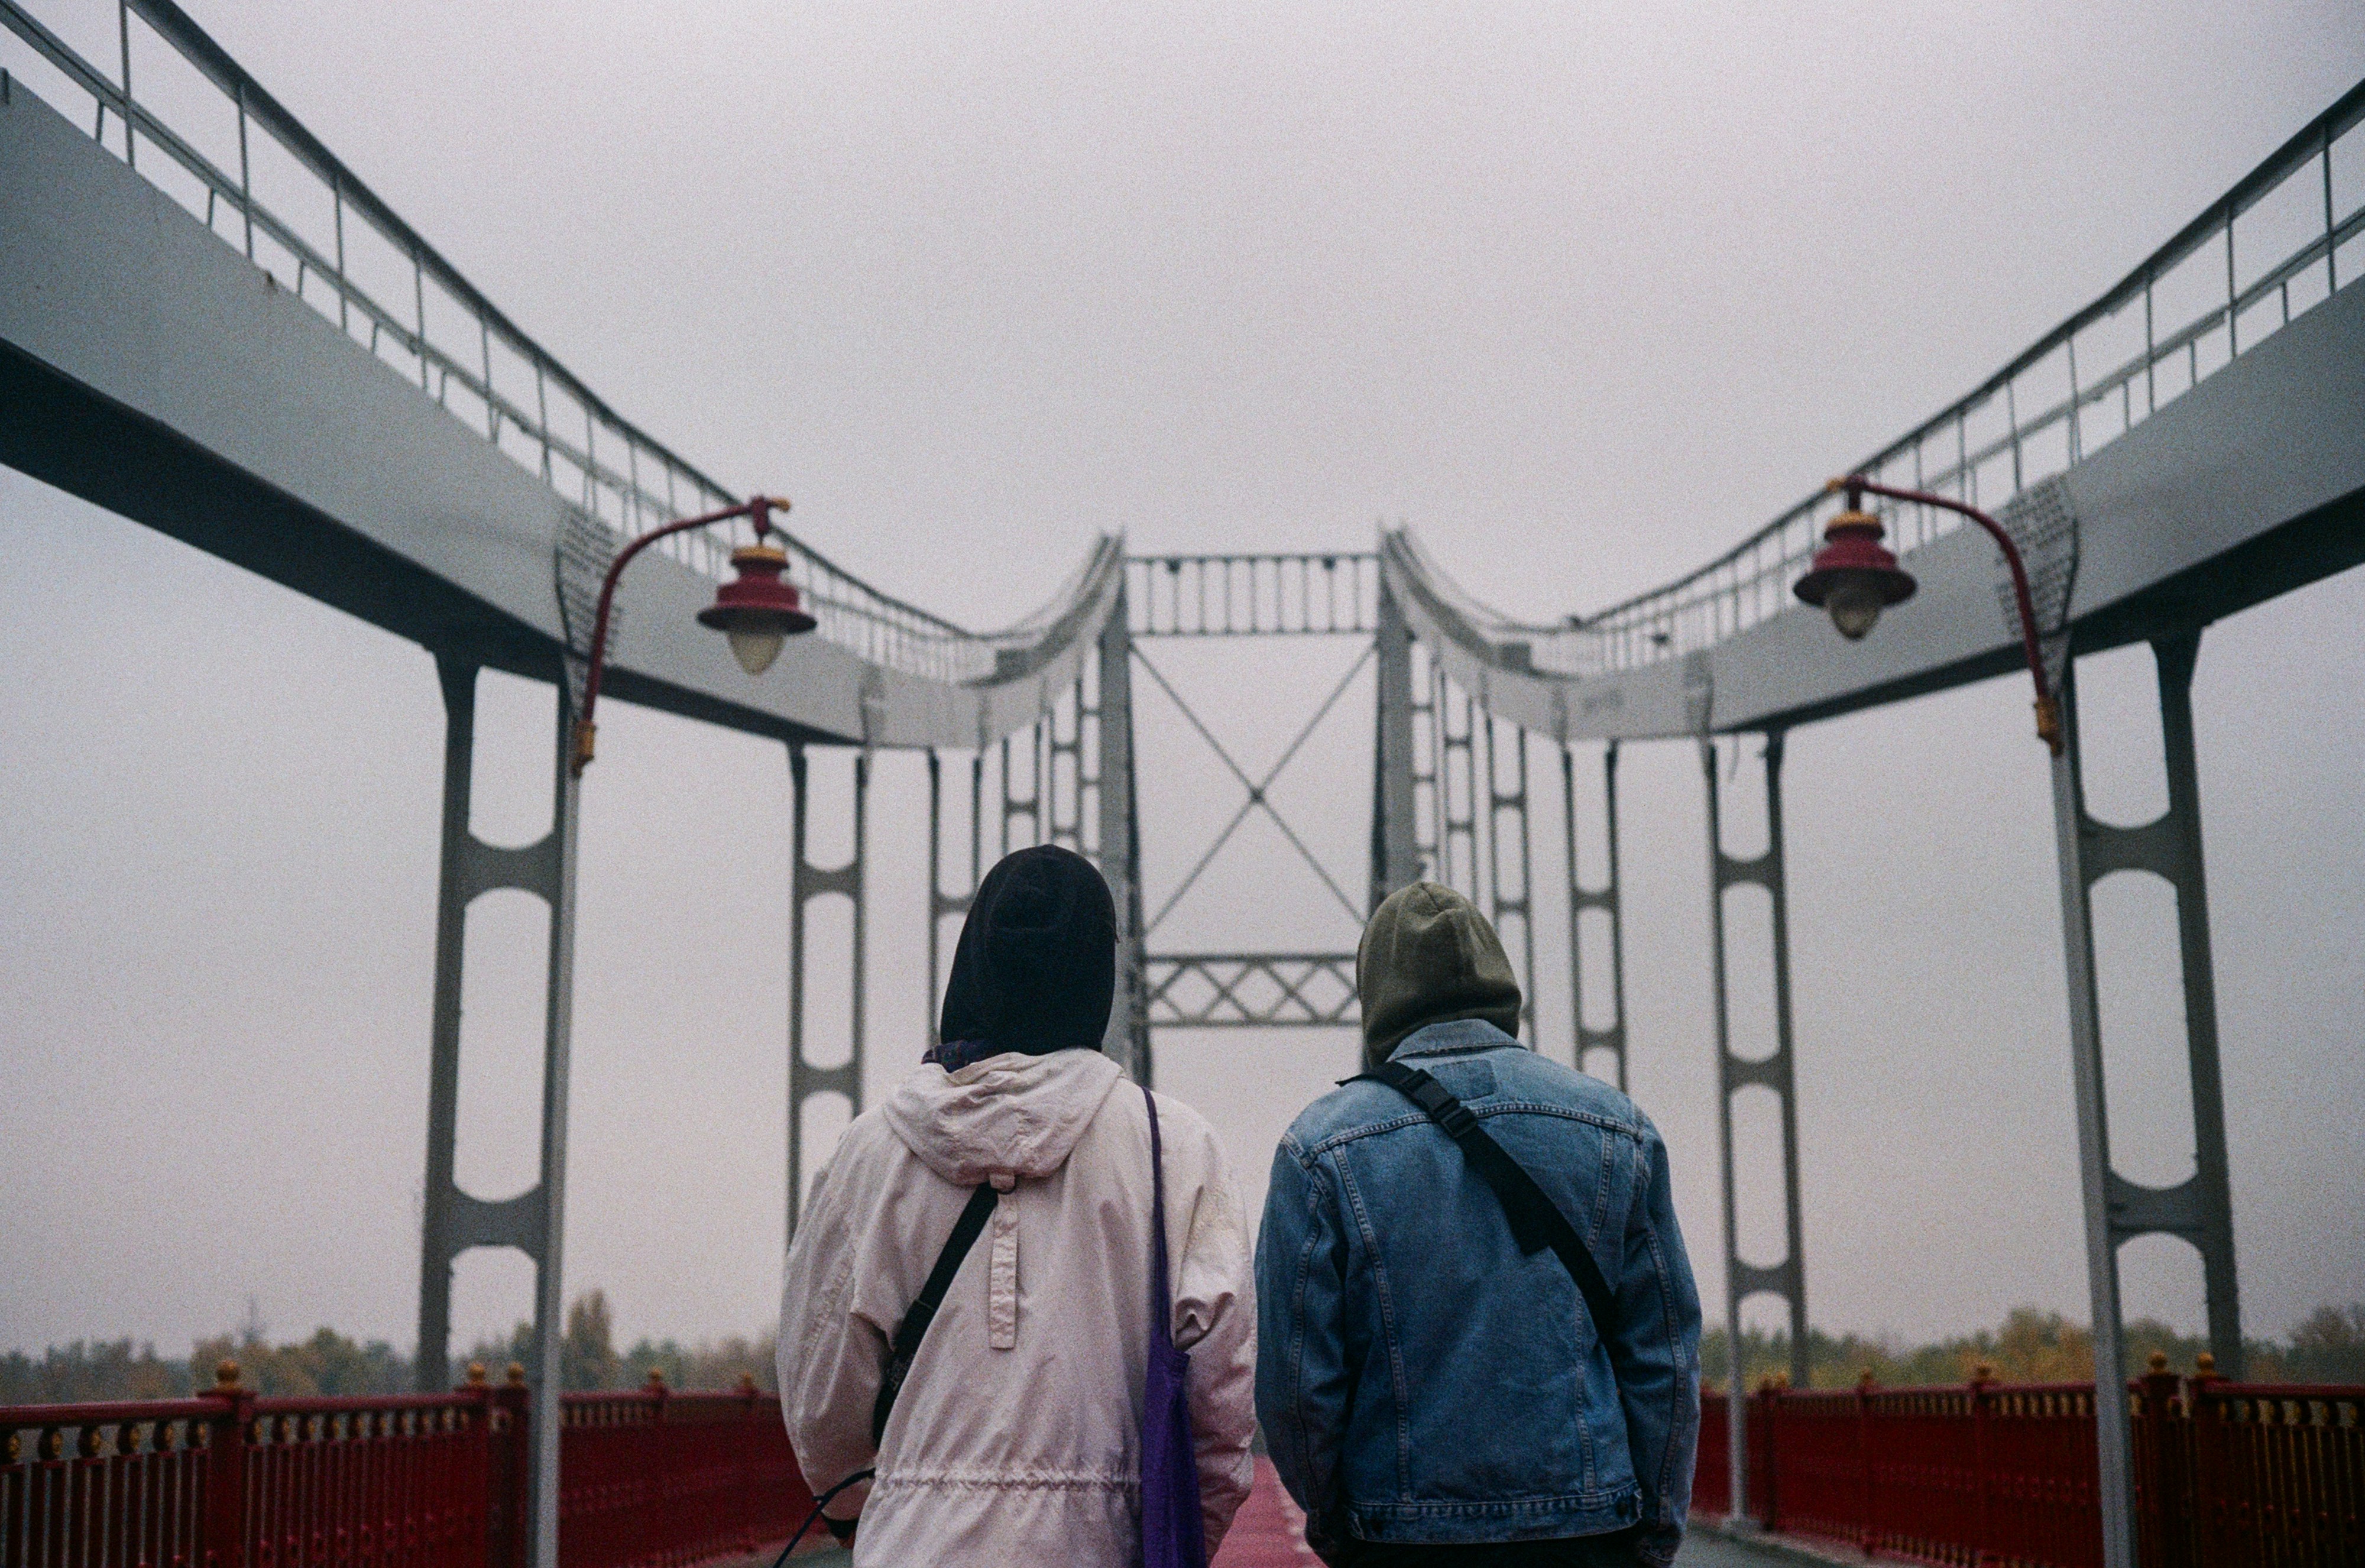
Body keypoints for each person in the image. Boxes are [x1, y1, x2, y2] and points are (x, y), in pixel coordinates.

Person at [777, 844, 1258, 1564]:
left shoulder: (867, 1154)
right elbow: (1219, 1413)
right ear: (1100, 972)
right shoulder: (1178, 1150)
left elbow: (822, 1402)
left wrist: (887, 1509)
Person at [1255, 882, 1702, 1567]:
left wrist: (1339, 1522)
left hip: (1403, 1537)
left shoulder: (1318, 1150)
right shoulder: (1618, 1130)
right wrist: (1652, 1530)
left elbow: (1295, 1386)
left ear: (1378, 997)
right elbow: (1663, 1360)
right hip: (1587, 1533)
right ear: (1501, 986)